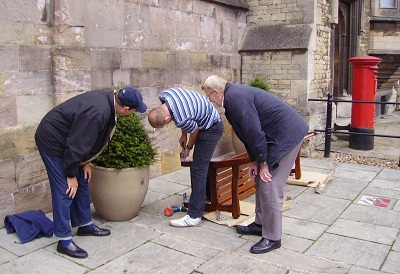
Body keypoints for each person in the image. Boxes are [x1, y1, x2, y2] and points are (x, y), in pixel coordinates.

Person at [35, 87, 147, 258]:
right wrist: (71, 175)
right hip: (53, 142)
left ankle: (84, 224)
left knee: (83, 179)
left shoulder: (109, 101)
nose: (133, 113)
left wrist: (86, 162)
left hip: (68, 142)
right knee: (65, 189)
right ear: (125, 108)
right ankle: (64, 241)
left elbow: (84, 139)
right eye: (134, 111)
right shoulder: (97, 112)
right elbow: (77, 144)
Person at [201, 75, 308, 254]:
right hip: (277, 136)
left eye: (208, 96)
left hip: (286, 136)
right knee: (260, 179)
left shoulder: (235, 98)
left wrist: (264, 162)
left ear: (216, 92)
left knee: (270, 184)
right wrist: (255, 161)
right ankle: (260, 224)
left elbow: (254, 132)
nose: (209, 100)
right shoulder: (233, 97)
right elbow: (248, 134)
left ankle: (273, 237)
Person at [148, 87, 224, 227]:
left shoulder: (181, 118)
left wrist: (188, 148)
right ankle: (205, 196)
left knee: (198, 169)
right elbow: (184, 117)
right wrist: (183, 135)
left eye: (165, 124)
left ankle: (194, 216)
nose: (166, 125)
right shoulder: (166, 95)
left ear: (167, 118)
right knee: (201, 165)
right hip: (205, 120)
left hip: (211, 128)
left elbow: (194, 130)